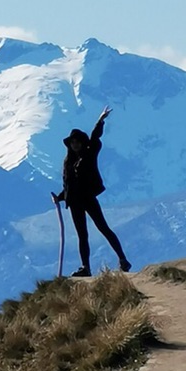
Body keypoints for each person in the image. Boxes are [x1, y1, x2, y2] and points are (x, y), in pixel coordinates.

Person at [61, 107, 131, 277]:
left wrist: (100, 121)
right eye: (73, 142)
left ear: (81, 142)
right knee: (82, 235)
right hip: (75, 201)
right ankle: (85, 267)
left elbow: (95, 137)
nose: (75, 144)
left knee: (103, 228)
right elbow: (69, 184)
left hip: (87, 198)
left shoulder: (89, 153)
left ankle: (122, 259)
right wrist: (60, 197)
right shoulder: (69, 162)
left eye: (77, 141)